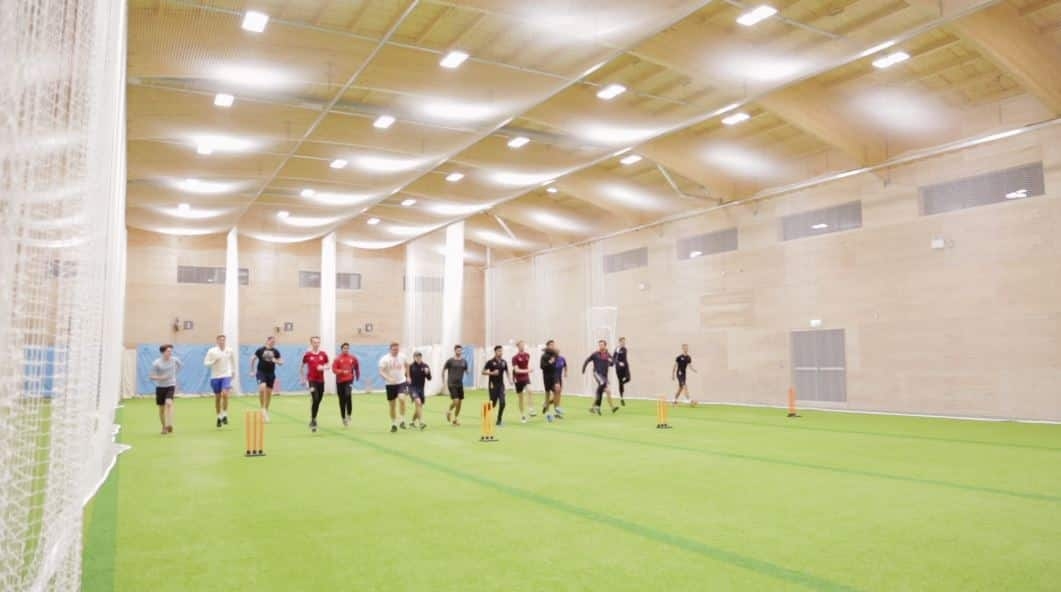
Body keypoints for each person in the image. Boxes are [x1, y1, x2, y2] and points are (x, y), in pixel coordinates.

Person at [203, 334, 236, 428]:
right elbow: (205, 363)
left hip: (226, 375)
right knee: (217, 398)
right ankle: (219, 417)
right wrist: (213, 361)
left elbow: (233, 361)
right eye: (220, 340)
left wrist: (233, 371)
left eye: (223, 340)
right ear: (217, 341)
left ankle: (225, 414)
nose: (222, 341)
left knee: (225, 394)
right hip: (215, 377)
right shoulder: (212, 351)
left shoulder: (229, 350)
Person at [149, 344, 182, 435]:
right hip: (160, 387)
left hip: (171, 385)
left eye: (171, 351)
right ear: (163, 352)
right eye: (168, 351)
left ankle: (169, 424)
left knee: (169, 403)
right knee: (161, 409)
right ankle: (164, 427)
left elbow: (180, 366)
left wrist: (174, 375)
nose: (170, 353)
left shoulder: (174, 360)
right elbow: (151, 377)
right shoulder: (157, 363)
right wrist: (161, 378)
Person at [378, 342, 410, 432]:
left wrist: (408, 376)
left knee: (402, 399)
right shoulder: (385, 359)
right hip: (390, 384)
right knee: (392, 406)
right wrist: (388, 378)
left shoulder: (402, 356)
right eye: (394, 349)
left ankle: (402, 420)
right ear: (390, 349)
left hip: (401, 382)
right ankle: (394, 424)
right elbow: (381, 371)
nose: (396, 351)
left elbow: (407, 365)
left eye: (397, 349)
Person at [250, 335, 282, 423]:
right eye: (271, 341)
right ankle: (262, 408)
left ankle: (266, 411)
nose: (273, 343)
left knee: (268, 393)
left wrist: (276, 361)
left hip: (271, 374)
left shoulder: (276, 351)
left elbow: (281, 362)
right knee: (262, 387)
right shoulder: (260, 350)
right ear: (267, 341)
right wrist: (252, 370)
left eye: (274, 342)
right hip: (261, 372)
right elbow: (252, 359)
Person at [301, 336, 330, 432]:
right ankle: (313, 420)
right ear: (311, 343)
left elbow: (328, 364)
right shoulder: (307, 355)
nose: (316, 344)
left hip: (321, 381)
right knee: (316, 398)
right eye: (314, 342)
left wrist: (324, 367)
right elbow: (302, 366)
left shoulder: (323, 354)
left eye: (318, 342)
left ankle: (313, 417)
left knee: (318, 401)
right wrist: (303, 379)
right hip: (311, 380)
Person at [582, 339, 619, 415]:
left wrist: (612, 362)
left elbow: (612, 363)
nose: (600, 346)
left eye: (602, 345)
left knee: (606, 391)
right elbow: (587, 360)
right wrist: (584, 368)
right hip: (597, 373)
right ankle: (598, 406)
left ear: (605, 346)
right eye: (599, 345)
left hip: (604, 376)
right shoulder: (595, 354)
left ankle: (610, 408)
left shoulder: (608, 355)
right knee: (602, 384)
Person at [332, 342, 360, 427]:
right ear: (341, 349)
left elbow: (356, 367)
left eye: (347, 348)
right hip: (340, 381)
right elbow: (334, 369)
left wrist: (357, 375)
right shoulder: (337, 359)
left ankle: (349, 414)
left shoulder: (353, 358)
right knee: (341, 400)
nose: (346, 350)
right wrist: (341, 371)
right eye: (344, 348)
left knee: (348, 395)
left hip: (349, 380)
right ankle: (343, 417)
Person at [482, 345, 510, 426]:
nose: (500, 352)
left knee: (502, 402)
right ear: (495, 352)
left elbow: (507, 371)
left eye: (501, 351)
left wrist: (510, 380)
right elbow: (483, 372)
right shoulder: (490, 362)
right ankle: (486, 415)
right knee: (493, 404)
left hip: (501, 385)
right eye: (499, 351)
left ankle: (499, 420)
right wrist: (492, 373)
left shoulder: (504, 362)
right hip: (492, 385)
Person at [442, 345, 469, 426]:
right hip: (451, 383)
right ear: (455, 351)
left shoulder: (464, 361)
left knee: (460, 403)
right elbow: (443, 370)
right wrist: (443, 381)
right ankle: (449, 411)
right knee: (456, 401)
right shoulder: (450, 361)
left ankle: (455, 419)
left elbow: (466, 370)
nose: (459, 352)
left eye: (460, 350)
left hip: (460, 384)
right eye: (458, 350)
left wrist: (468, 372)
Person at [512, 341, 534, 423]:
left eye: (523, 345)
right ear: (517, 346)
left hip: (525, 377)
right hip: (518, 379)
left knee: (530, 390)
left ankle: (531, 409)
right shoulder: (515, 358)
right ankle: (522, 416)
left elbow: (525, 365)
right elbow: (516, 370)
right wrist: (528, 370)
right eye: (521, 345)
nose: (522, 346)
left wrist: (527, 371)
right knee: (520, 398)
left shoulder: (527, 355)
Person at [407, 351, 431, 430]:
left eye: (419, 356)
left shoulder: (425, 366)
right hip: (412, 388)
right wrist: (407, 385)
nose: (418, 358)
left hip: (421, 388)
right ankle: (421, 422)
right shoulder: (410, 366)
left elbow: (429, 378)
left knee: (419, 406)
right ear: (414, 357)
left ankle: (412, 422)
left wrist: (427, 373)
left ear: (421, 357)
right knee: (418, 402)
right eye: (416, 356)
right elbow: (406, 377)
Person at [539, 340, 558, 422]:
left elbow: (557, 355)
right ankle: (548, 414)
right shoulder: (544, 356)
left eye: (553, 345)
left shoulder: (554, 355)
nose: (553, 346)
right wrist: (549, 362)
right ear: (547, 346)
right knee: (547, 394)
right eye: (551, 345)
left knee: (557, 392)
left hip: (554, 376)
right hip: (546, 376)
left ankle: (546, 404)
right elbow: (542, 366)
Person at [614, 337, 631, 406]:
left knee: (628, 378)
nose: (624, 343)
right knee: (620, 382)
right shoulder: (617, 349)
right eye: (622, 342)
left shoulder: (624, 349)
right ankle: (621, 398)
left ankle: (622, 384)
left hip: (625, 367)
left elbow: (623, 356)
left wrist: (623, 363)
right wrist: (618, 363)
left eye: (624, 342)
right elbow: (614, 358)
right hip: (618, 368)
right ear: (620, 342)